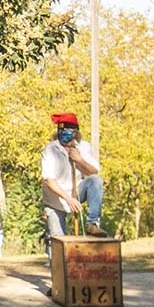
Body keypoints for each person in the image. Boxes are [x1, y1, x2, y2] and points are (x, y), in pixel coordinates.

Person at [40, 112, 104, 262]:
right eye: (61, 131)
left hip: (76, 193)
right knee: (58, 244)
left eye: (68, 131)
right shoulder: (50, 150)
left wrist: (79, 160)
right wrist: (68, 199)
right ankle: (58, 274)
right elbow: (49, 180)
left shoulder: (84, 147)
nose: (64, 134)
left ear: (75, 133)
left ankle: (92, 223)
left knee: (95, 181)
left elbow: (94, 171)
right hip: (56, 200)